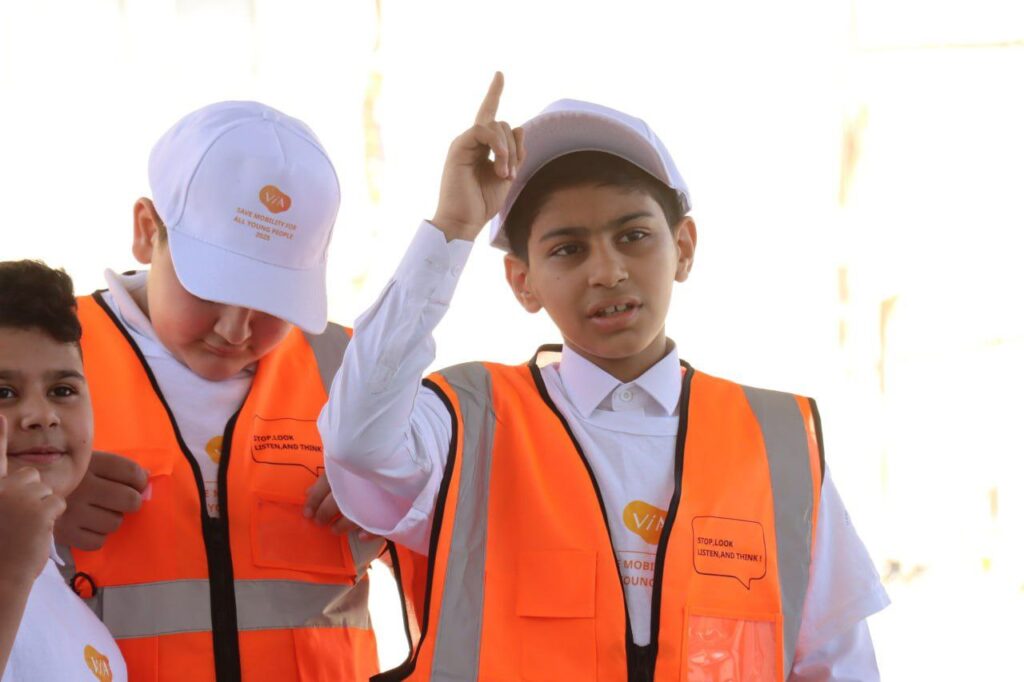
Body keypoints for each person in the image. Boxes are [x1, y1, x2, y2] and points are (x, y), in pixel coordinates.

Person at [318, 73, 890, 680]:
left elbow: (837, 663)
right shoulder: (466, 424)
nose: (608, 271)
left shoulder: (780, 444)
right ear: (522, 282)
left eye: (634, 236)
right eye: (568, 249)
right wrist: (452, 230)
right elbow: (356, 441)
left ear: (684, 246)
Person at [53, 101, 416, 682]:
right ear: (147, 231)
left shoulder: (352, 372)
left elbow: (462, 554)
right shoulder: (41, 359)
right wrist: (32, 511)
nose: (235, 330)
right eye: (211, 289)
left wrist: (403, 505)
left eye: (272, 302)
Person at [0, 259, 128, 681]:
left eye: (62, 390)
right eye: (4, 392)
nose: (42, 415)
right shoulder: (15, 568)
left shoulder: (51, 582)